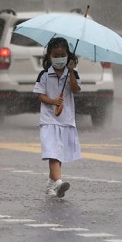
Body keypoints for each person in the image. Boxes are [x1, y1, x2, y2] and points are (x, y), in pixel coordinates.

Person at [33, 37, 81, 198]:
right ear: (49, 56)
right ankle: (59, 183)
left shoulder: (72, 74)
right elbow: (40, 96)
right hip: (49, 120)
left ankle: (50, 184)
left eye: (63, 55)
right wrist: (53, 101)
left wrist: (71, 72)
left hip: (66, 120)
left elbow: (75, 90)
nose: (59, 58)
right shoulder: (44, 75)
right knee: (53, 153)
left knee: (58, 154)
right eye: (56, 55)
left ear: (68, 56)